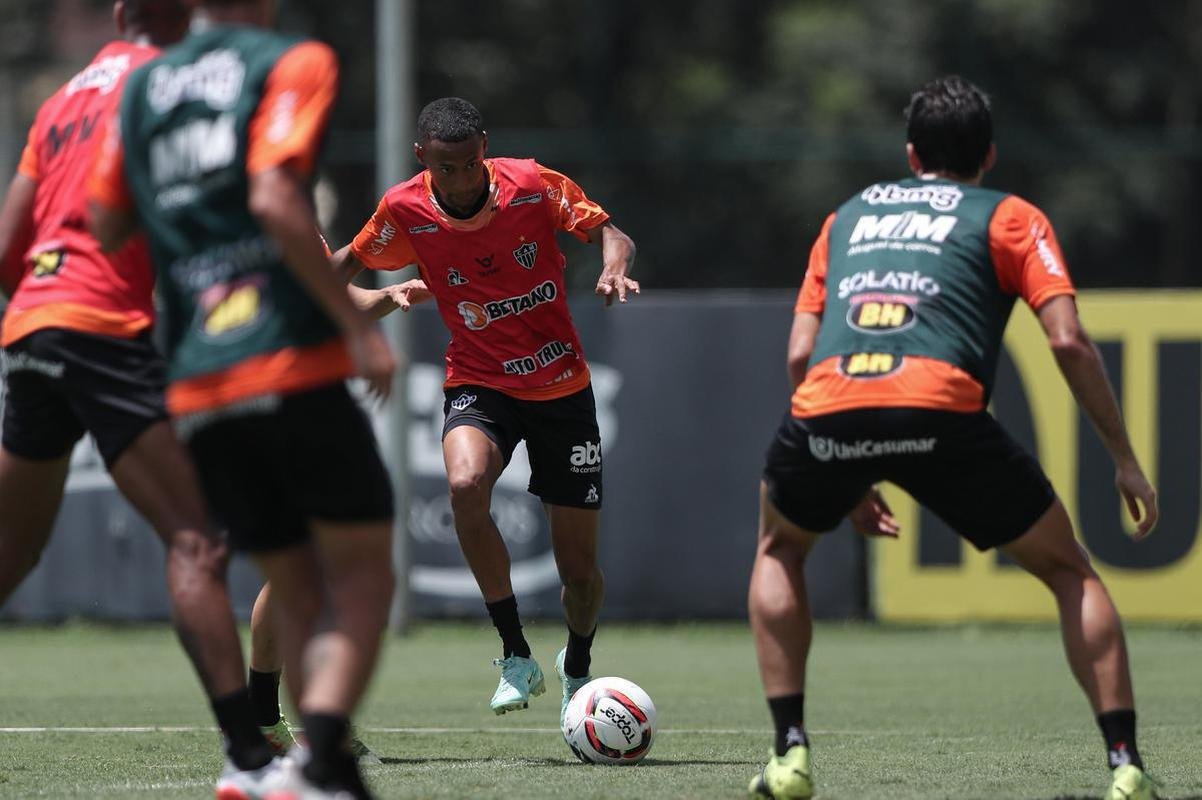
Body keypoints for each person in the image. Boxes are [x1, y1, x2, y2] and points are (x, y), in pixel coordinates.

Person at [747, 75, 1159, 800]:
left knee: (781, 547)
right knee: (1069, 573)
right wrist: (1124, 460)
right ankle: (1125, 763)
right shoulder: (1010, 216)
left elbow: (797, 356)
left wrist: (849, 477)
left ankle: (789, 753)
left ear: (911, 154)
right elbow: (1068, 342)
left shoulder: (846, 218)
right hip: (940, 408)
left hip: (830, 404)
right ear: (989, 155)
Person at [87, 1, 398, 797]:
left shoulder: (145, 85)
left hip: (196, 381)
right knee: (363, 574)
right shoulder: (291, 60)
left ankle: (307, 765)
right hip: (286, 361)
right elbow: (272, 198)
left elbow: (106, 217)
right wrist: (356, 329)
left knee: (293, 582)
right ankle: (320, 756)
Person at [0, 2, 284, 797]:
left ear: (121, 14)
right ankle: (249, 759)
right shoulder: (169, 84)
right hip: (100, 326)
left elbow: (8, 245)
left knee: (10, 555)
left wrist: (45, 322)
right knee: (197, 542)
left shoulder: (58, 100)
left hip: (33, 321)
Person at [330, 96, 638, 723]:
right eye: (449, 167)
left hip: (562, 389)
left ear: (486, 149)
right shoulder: (403, 207)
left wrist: (613, 268)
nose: (464, 177)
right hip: (479, 380)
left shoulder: (529, 183)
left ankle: (576, 664)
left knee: (579, 575)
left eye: (472, 163)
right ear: (423, 159)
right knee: (466, 484)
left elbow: (610, 231)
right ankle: (515, 654)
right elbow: (347, 268)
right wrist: (298, 271)